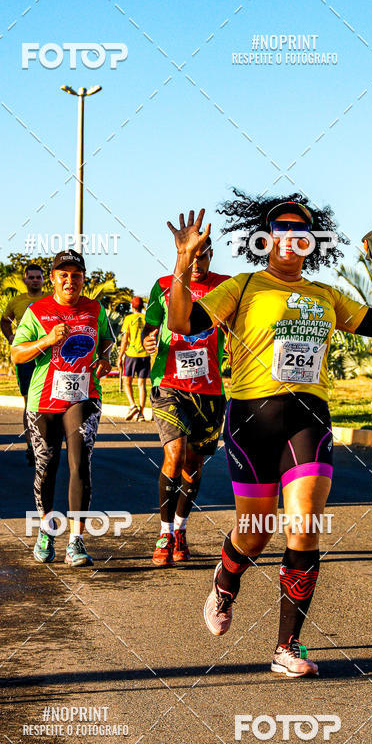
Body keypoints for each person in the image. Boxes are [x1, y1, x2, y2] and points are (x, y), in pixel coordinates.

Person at [166, 197, 372, 677]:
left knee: (306, 522)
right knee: (255, 535)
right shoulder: (244, 286)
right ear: (266, 237)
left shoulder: (326, 294)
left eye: (301, 230)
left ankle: (287, 647)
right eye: (281, 227)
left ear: (310, 242)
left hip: (308, 415)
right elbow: (180, 322)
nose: (291, 235)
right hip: (251, 419)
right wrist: (184, 261)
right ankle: (225, 583)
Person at [11, 249, 113, 567]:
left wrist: (106, 358)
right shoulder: (37, 311)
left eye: (76, 275)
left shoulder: (95, 309)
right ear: (53, 278)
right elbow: (17, 353)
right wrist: (46, 341)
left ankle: (76, 541)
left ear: (84, 279)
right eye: (64, 275)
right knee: (48, 466)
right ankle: (46, 531)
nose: (71, 280)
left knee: (79, 462)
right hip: (43, 400)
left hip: (83, 396)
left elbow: (107, 341)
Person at [141, 231, 229, 566]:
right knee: (174, 456)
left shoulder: (226, 286)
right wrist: (150, 341)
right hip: (169, 383)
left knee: (193, 464)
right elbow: (151, 326)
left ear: (211, 256)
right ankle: (164, 532)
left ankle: (180, 528)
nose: (196, 264)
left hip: (209, 389)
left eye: (203, 256)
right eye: (191, 257)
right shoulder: (163, 284)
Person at [0, 264, 45, 465]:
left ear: (44, 280)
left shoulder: (51, 300)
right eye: (32, 277)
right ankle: (30, 446)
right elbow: (4, 321)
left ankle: (47, 443)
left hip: (47, 356)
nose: (35, 280)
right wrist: (11, 337)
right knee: (29, 402)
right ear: (25, 280)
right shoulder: (17, 302)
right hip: (26, 357)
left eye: (38, 277)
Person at [118, 296, 150, 421]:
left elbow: (125, 339)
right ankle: (141, 414)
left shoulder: (129, 318)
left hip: (131, 354)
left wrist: (120, 356)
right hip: (145, 355)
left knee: (127, 381)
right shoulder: (146, 318)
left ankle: (132, 405)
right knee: (142, 384)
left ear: (132, 306)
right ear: (142, 307)